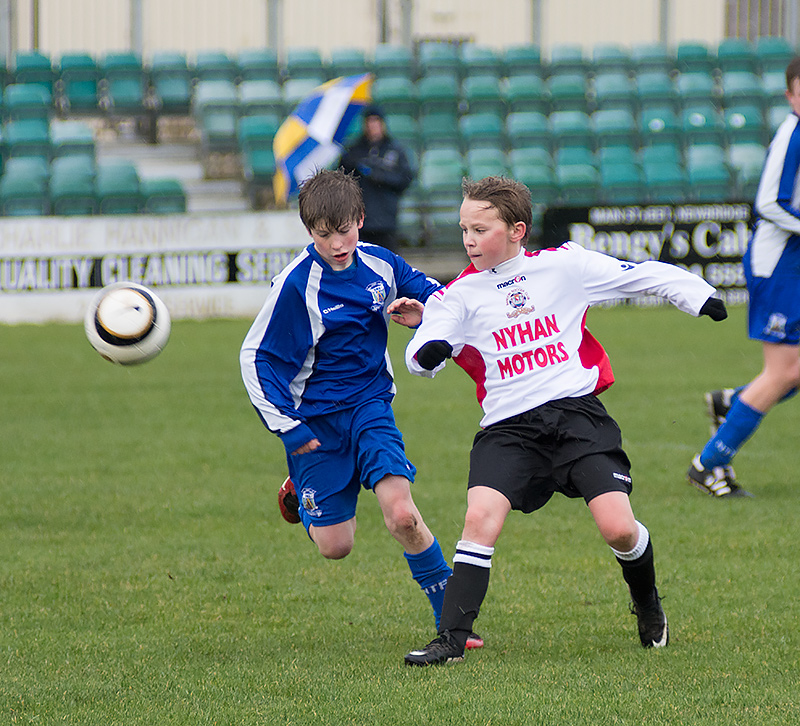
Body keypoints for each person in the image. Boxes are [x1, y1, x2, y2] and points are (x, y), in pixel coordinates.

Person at [395, 176, 728, 666]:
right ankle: (451, 639)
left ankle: (647, 603)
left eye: (480, 229)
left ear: (517, 229)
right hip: (509, 430)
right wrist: (431, 350)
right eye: (463, 228)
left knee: (618, 529)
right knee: (479, 518)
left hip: (576, 418)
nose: (468, 239)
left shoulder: (564, 266)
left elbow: (638, 274)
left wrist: (698, 294)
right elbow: (422, 352)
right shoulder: (458, 294)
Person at [239, 168, 481, 647]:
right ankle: (298, 489)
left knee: (402, 515)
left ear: (361, 220)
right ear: (310, 231)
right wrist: (287, 428)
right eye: (324, 235)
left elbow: (436, 294)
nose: (337, 243)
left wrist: (426, 314)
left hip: (371, 407)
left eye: (345, 230)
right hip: (315, 425)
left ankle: (452, 621)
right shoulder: (295, 285)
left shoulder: (382, 264)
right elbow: (256, 357)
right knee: (336, 546)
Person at [685, 57, 800, 499]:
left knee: (793, 372)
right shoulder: (792, 133)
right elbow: (769, 203)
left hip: (791, 264)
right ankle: (708, 464)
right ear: (789, 96)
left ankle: (732, 403)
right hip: (778, 266)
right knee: (784, 371)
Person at [338, 104, 415, 253]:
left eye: (376, 121)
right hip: (361, 221)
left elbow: (404, 179)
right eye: (369, 122)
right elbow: (342, 179)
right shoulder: (353, 151)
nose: (373, 126)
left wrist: (381, 177)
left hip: (386, 220)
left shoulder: (395, 150)